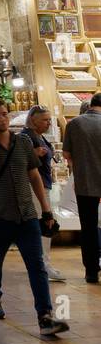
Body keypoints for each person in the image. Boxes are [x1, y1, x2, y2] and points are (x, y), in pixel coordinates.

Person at [0, 97, 68, 334]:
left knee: (37, 266)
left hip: (27, 215)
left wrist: (46, 210)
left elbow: (34, 175)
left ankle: (44, 316)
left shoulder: (23, 142)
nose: (2, 118)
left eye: (4, 114)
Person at [61, 93, 101, 285]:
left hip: (85, 182)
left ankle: (91, 271)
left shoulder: (74, 124)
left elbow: (67, 153)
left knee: (89, 228)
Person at [24, 104, 65, 282]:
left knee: (43, 225)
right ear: (33, 120)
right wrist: (33, 153)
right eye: (45, 120)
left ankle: (41, 263)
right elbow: (18, 159)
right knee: (44, 225)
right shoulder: (26, 137)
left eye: (49, 119)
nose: (49, 123)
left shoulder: (39, 136)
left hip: (43, 185)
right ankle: (44, 264)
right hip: (35, 188)